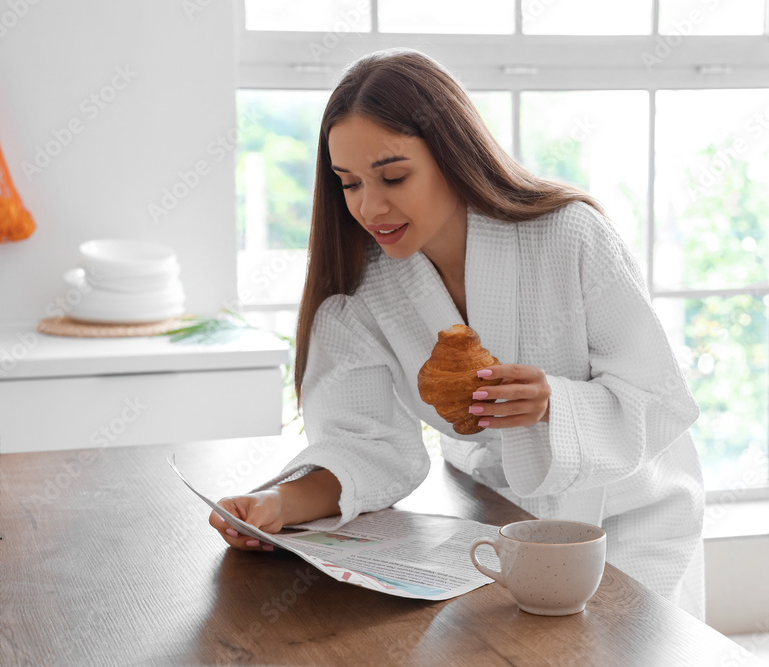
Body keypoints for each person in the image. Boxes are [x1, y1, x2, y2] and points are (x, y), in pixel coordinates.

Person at [208, 48, 706, 619]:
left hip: (632, 518)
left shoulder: (570, 235)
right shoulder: (362, 284)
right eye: (348, 184)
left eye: (393, 176)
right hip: (496, 517)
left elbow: (658, 398)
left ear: (452, 155)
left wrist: (552, 405)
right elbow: (362, 441)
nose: (370, 207)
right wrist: (277, 503)